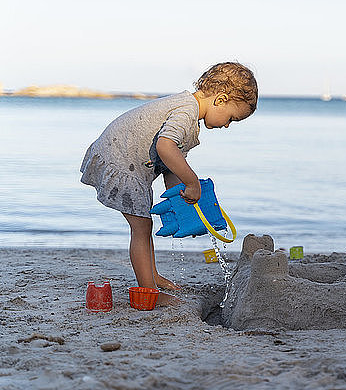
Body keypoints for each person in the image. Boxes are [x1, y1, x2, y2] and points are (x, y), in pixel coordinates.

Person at [80, 62, 258, 305]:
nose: (227, 125)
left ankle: (151, 277)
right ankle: (149, 292)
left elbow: (170, 165)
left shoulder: (187, 112)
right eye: (231, 118)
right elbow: (165, 147)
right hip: (120, 162)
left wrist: (182, 199)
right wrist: (192, 181)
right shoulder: (186, 112)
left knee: (144, 225)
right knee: (141, 229)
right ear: (220, 99)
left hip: (125, 160)